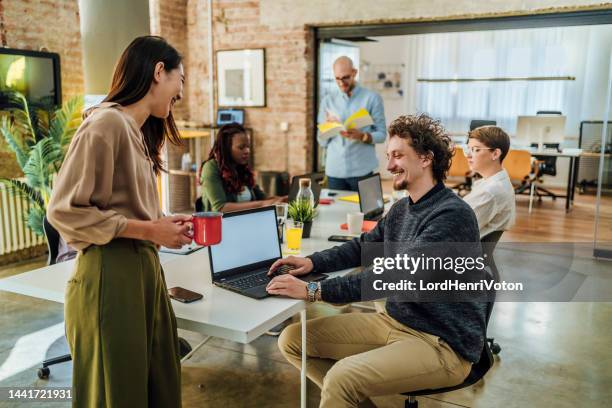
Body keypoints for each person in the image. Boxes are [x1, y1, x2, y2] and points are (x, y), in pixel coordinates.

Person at [266, 114, 487, 407]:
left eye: (398, 155)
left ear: (425, 159)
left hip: (441, 343)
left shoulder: (452, 215)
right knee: (293, 340)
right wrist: (312, 262)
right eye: (388, 156)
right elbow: (363, 248)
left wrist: (314, 291)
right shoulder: (402, 209)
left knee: (342, 377)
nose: (389, 165)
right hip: (395, 321)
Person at [47, 36, 190, 408]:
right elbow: (63, 210)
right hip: (111, 277)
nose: (181, 92)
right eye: (180, 79)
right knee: (118, 394)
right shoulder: (106, 123)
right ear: (159, 71)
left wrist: (162, 222)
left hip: (142, 272)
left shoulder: (136, 132)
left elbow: (125, 206)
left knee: (157, 385)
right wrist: (150, 229)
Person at [317, 56, 386, 191]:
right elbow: (321, 141)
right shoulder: (327, 101)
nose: (341, 82)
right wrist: (329, 128)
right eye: (337, 78)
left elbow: (382, 134)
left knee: (366, 211)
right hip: (334, 171)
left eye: (345, 77)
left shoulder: (372, 98)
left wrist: (363, 136)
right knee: (336, 211)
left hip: (362, 170)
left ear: (354, 72)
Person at [199, 123, 286, 212]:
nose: (247, 151)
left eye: (248, 147)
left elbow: (262, 198)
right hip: (220, 225)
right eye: (241, 147)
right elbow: (220, 208)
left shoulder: (241, 168)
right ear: (226, 148)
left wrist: (284, 199)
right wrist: (262, 204)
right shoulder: (210, 168)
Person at [463, 126, 516, 238]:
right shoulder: (493, 182)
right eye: (468, 149)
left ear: (495, 154)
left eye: (476, 150)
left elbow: (455, 226)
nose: (468, 155)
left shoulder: (491, 192)